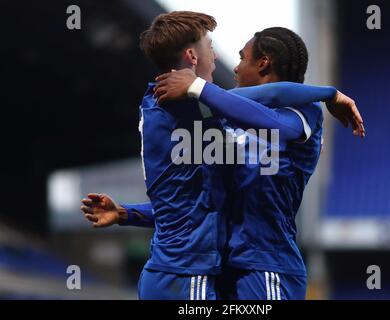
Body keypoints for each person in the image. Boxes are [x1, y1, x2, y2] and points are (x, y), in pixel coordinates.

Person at [81, 12, 364, 300]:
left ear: (264, 63)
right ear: (192, 56)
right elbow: (200, 202)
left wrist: (326, 96)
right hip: (215, 270)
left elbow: (274, 106)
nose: (233, 66)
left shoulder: (303, 112)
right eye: (212, 48)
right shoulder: (207, 113)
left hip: (267, 267)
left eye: (242, 58)